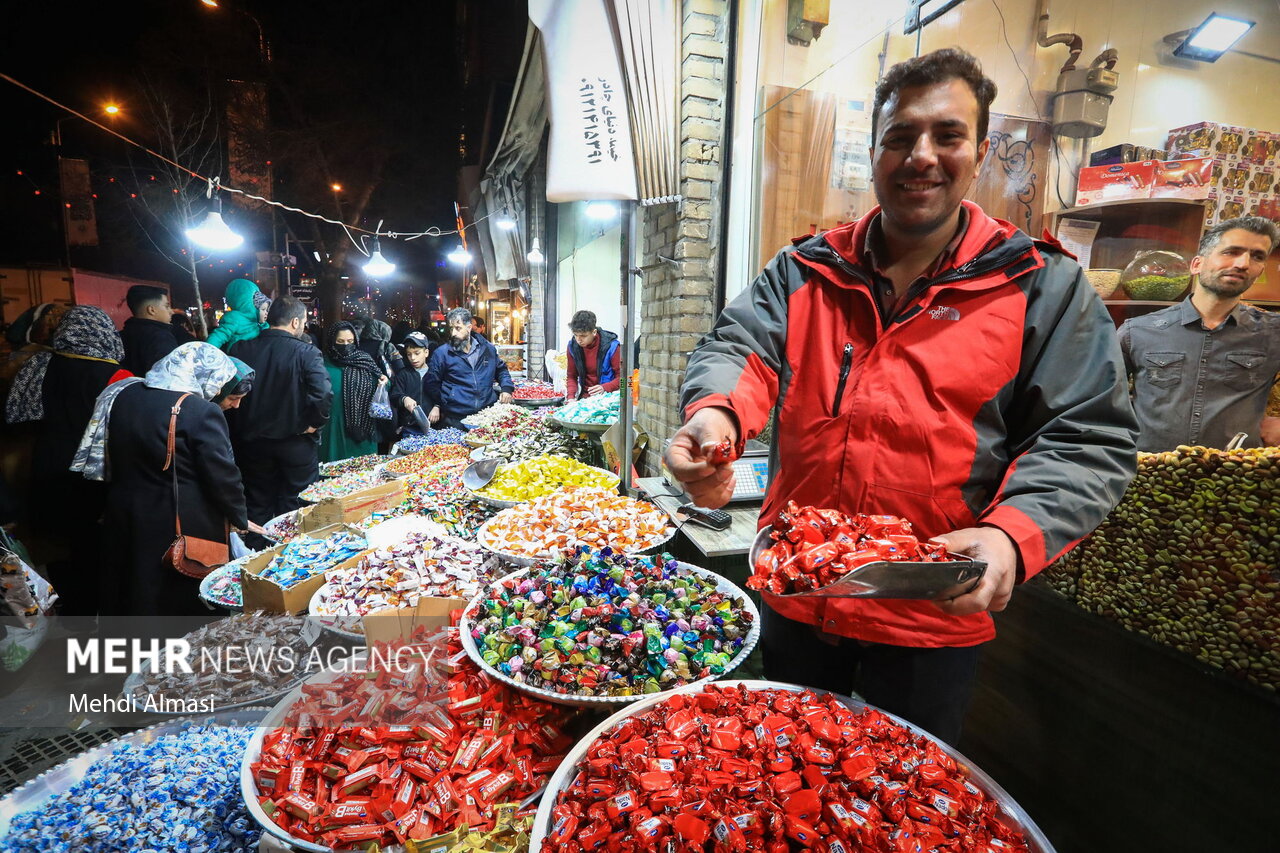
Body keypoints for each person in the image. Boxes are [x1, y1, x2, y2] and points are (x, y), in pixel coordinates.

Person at [664, 48, 1138, 745]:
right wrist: (715, 415)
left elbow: (1085, 436)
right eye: (900, 136)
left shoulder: (1043, 286)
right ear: (875, 151)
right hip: (799, 592)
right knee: (777, 770)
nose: (921, 154)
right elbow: (741, 349)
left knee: (898, 795)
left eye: (947, 135)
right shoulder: (805, 269)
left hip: (931, 616)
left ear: (977, 153)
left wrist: (1011, 537)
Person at [76, 343, 252, 616]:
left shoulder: (125, 393)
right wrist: (238, 518)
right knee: (172, 596)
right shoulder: (199, 411)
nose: (218, 391)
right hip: (176, 520)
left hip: (124, 512)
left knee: (131, 587)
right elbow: (223, 477)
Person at [1118, 216, 1280, 451]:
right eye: (1231, 252)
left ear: (1260, 269)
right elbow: (1097, 401)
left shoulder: (1273, 332)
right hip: (1148, 476)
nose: (1243, 263)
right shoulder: (1138, 331)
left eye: (1256, 256)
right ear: (1196, 265)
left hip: (1237, 479)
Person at [24, 308, 130, 616]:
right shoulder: (116, 375)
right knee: (97, 550)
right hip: (96, 474)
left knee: (61, 549)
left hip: (47, 466)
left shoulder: (39, 365)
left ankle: (73, 618)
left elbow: (22, 416)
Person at [227, 297, 333, 523]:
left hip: (250, 443)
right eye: (304, 321)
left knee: (257, 502)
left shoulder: (240, 348)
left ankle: (259, 552)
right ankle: (295, 552)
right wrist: (314, 423)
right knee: (298, 503)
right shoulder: (306, 352)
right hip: (295, 442)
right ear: (295, 322)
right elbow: (322, 393)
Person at [425, 308, 514, 429]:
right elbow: (431, 383)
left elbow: (501, 370)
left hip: (486, 416)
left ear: (469, 327)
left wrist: (506, 388)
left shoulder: (487, 349)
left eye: (458, 328)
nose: (453, 334)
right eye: (451, 329)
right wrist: (443, 402)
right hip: (455, 419)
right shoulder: (441, 354)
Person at [319, 322, 387, 463]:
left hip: (363, 431)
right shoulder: (321, 364)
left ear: (356, 341)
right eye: (340, 341)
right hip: (333, 428)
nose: (346, 345)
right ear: (332, 342)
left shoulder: (365, 361)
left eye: (350, 341)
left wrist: (384, 381)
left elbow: (383, 382)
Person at [120, 285, 180, 377]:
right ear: (151, 310)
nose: (171, 311)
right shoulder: (161, 337)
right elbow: (170, 378)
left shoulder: (121, 336)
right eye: (166, 306)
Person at [564, 310, 621, 400]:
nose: (579, 340)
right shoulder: (573, 346)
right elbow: (571, 376)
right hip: (584, 398)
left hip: (608, 398)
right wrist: (570, 397)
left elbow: (624, 379)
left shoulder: (612, 346)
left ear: (594, 332)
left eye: (583, 336)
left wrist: (605, 387)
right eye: (575, 335)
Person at [389, 332, 435, 436]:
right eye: (409, 354)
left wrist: (438, 406)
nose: (413, 358)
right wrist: (404, 398)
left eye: (417, 353)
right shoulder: (403, 374)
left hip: (434, 427)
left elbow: (443, 393)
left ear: (426, 352)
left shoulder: (434, 373)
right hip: (410, 428)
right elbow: (394, 395)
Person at [205, 278, 267, 351]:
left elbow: (267, 332)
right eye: (254, 298)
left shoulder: (257, 317)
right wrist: (207, 351)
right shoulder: (235, 318)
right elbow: (219, 336)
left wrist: (263, 324)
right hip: (240, 356)